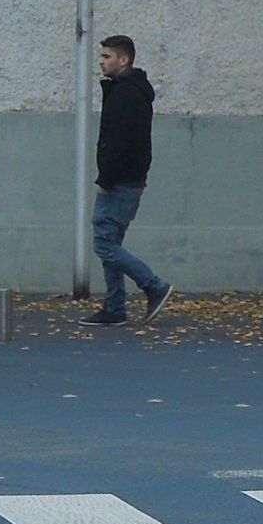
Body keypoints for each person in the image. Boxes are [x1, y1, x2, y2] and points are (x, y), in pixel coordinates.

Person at [88, 33, 170, 327]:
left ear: (124, 59)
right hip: (129, 178)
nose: (101, 62)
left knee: (104, 243)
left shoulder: (126, 94)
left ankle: (154, 286)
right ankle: (114, 307)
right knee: (112, 241)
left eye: (106, 56)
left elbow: (118, 140)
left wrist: (106, 177)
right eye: (101, 56)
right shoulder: (128, 90)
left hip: (120, 180)